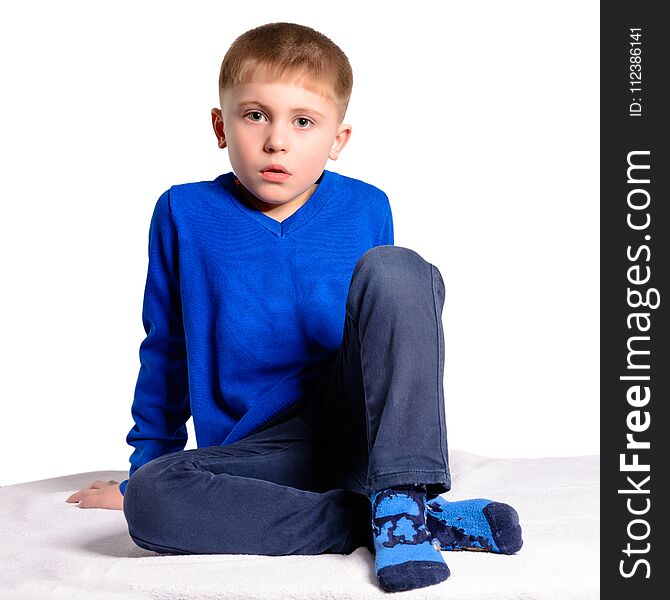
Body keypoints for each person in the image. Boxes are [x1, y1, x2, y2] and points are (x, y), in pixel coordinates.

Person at [65, 22, 522, 593]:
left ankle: (402, 497)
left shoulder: (365, 206)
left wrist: (389, 457)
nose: (277, 140)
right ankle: (395, 524)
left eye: (303, 122)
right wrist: (143, 472)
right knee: (155, 501)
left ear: (338, 138)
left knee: (398, 269)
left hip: (360, 436)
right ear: (219, 124)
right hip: (261, 455)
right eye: (256, 115)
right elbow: (166, 347)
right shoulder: (183, 212)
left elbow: (390, 333)